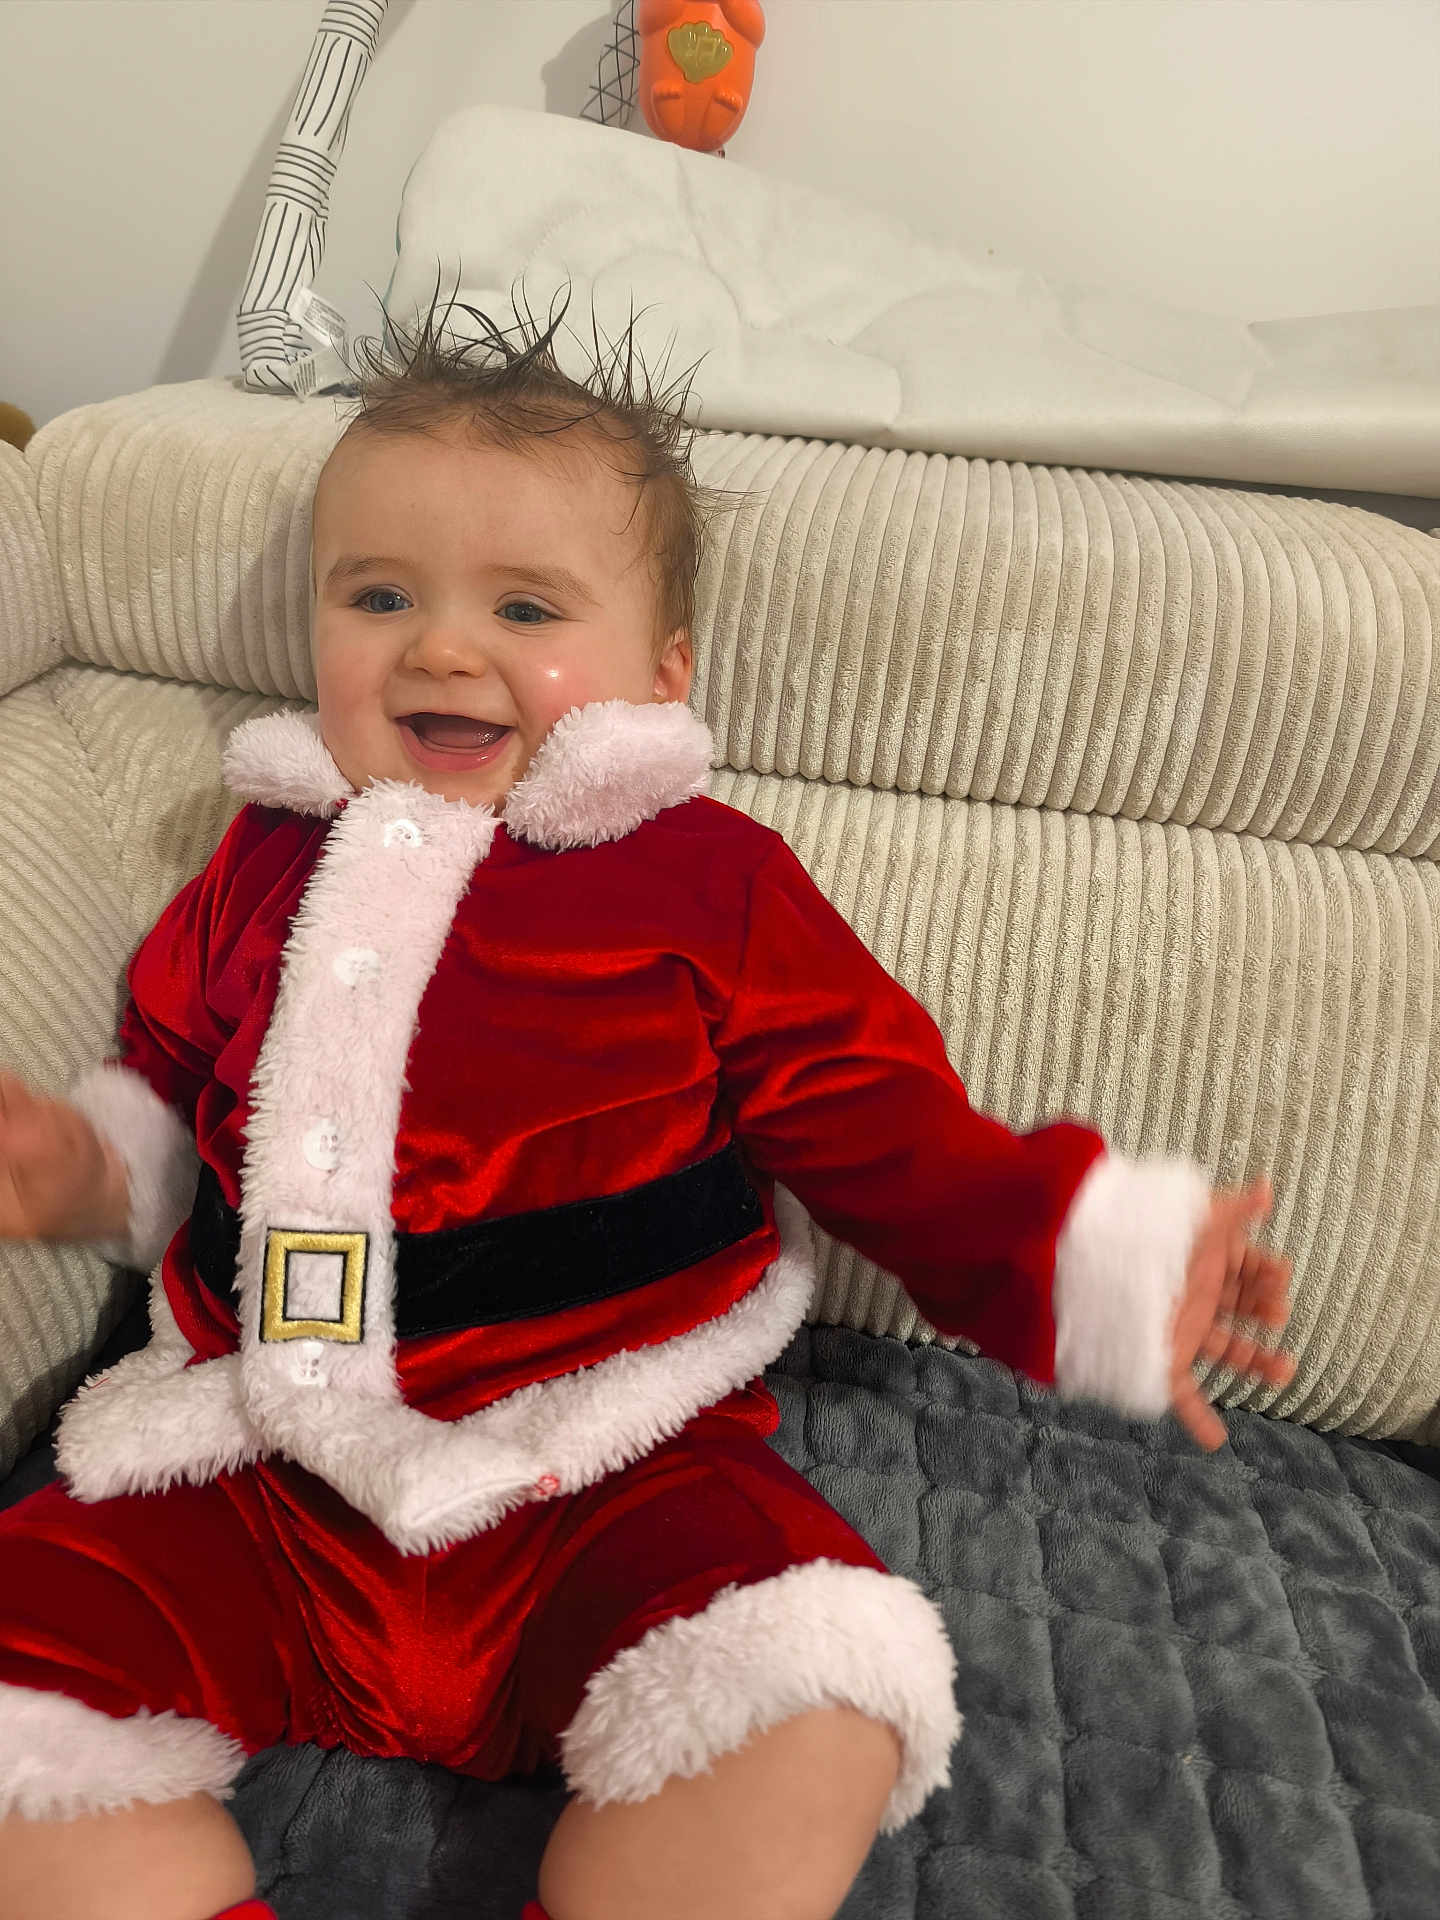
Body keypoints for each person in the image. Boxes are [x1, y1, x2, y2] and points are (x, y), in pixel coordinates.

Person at [0, 287, 1295, 1920]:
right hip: (252, 1476)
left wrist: (1095, 1251)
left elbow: (887, 1132)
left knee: (811, 1683)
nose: (442, 646)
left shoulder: (706, 881)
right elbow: (186, 1109)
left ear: (657, 670)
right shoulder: (264, 865)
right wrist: (84, 1166)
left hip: (603, 1471)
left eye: (524, 605)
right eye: (379, 593)